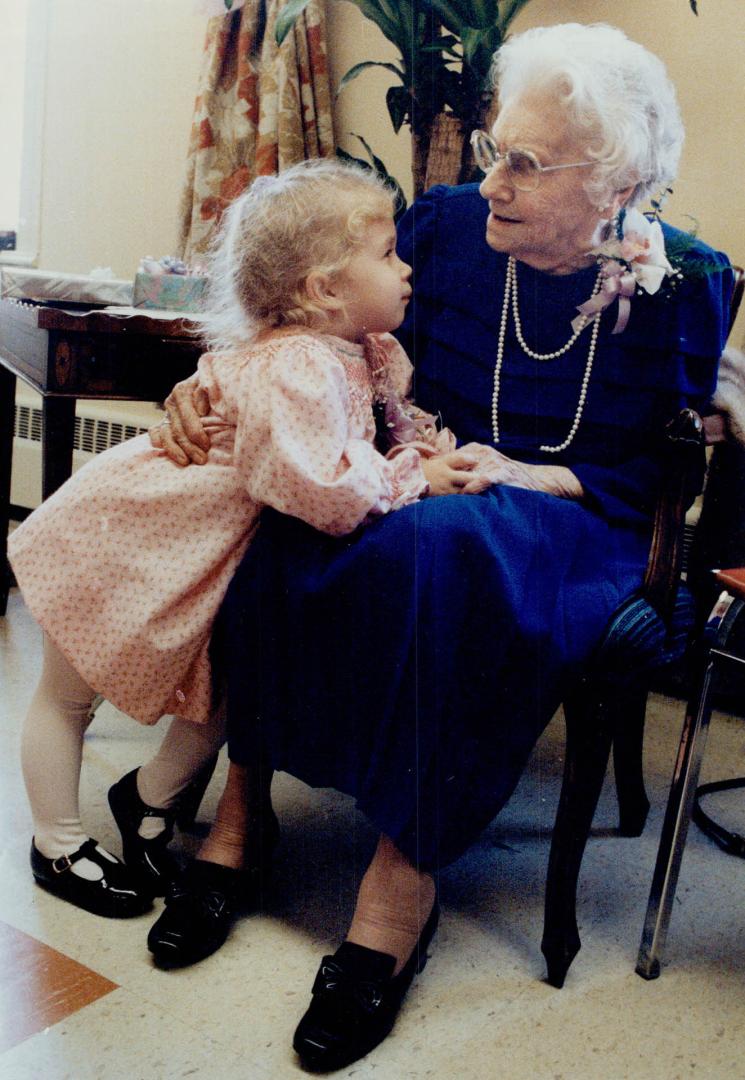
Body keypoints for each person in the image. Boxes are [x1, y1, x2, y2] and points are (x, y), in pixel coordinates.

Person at [154, 22, 733, 1072]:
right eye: (491, 153)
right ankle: (240, 817)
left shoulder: (686, 280)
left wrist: (521, 472)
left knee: (453, 547)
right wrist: (214, 387)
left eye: (522, 162)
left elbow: (653, 475)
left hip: (573, 522)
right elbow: (311, 338)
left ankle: (398, 880)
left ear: (612, 186)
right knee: (284, 510)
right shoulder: (445, 227)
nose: (492, 180)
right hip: (413, 473)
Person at [9, 159, 488, 924]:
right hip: (120, 535)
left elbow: (378, 433)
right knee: (67, 699)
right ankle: (57, 843)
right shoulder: (296, 364)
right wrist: (412, 480)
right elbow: (321, 490)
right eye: (389, 254)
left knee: (226, 689)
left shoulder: (360, 351)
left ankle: (148, 800)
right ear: (325, 288)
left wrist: (420, 454)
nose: (406, 270)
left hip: (194, 554)